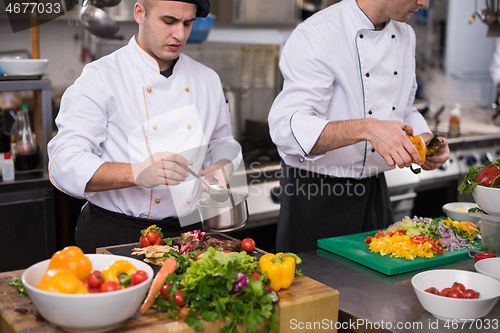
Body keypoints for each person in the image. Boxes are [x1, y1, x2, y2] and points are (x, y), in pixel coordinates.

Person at [48, 0, 241, 253]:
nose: (179, 34)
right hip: (116, 233)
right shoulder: (100, 77)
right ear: (139, 13)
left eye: (188, 23)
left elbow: (223, 142)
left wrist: (222, 167)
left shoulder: (207, 79)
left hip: (189, 233)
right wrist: (135, 173)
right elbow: (64, 163)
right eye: (169, 21)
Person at [268, 0, 450, 253]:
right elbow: (287, 128)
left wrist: (426, 140)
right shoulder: (318, 33)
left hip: (375, 189)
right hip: (316, 193)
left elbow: (404, 108)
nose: (424, 3)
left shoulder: (405, 32)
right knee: (317, 289)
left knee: (377, 287)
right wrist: (368, 128)